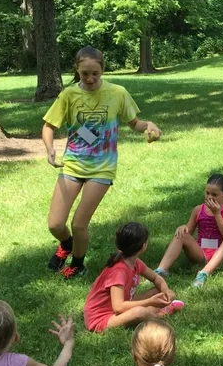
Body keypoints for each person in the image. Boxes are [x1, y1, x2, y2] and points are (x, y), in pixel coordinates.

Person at [41, 46, 162, 279]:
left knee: (79, 224)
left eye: (95, 73)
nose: (90, 79)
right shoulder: (68, 95)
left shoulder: (117, 93)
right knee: (56, 224)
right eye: (85, 73)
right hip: (74, 163)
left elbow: (135, 123)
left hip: (102, 167)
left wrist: (149, 126)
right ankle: (66, 245)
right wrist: (50, 150)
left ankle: (77, 264)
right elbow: (48, 126)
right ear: (77, 70)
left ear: (103, 70)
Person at [83, 222, 183, 333]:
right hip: (101, 318)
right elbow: (118, 307)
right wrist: (150, 301)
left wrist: (166, 293)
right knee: (139, 312)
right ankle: (160, 315)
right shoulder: (119, 271)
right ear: (143, 246)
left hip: (122, 306)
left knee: (159, 291)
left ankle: (158, 308)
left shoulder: (135, 262)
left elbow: (156, 278)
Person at [155, 173, 223, 288]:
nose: (209, 197)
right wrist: (183, 228)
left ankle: (203, 274)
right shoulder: (199, 209)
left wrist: (217, 213)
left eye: (214, 194)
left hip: (221, 256)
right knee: (181, 234)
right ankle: (161, 271)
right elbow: (189, 231)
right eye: (207, 193)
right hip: (201, 254)